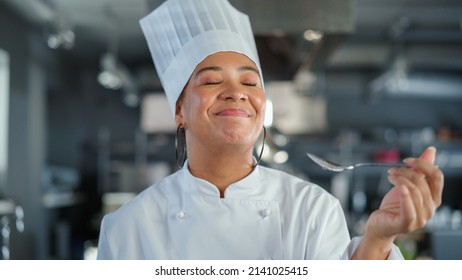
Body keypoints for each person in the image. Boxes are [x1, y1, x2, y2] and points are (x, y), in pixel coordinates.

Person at [96, 0, 444, 260]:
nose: (237, 92)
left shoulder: (312, 209)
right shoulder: (126, 227)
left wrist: (379, 239)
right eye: (213, 80)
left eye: (250, 81)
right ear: (179, 111)